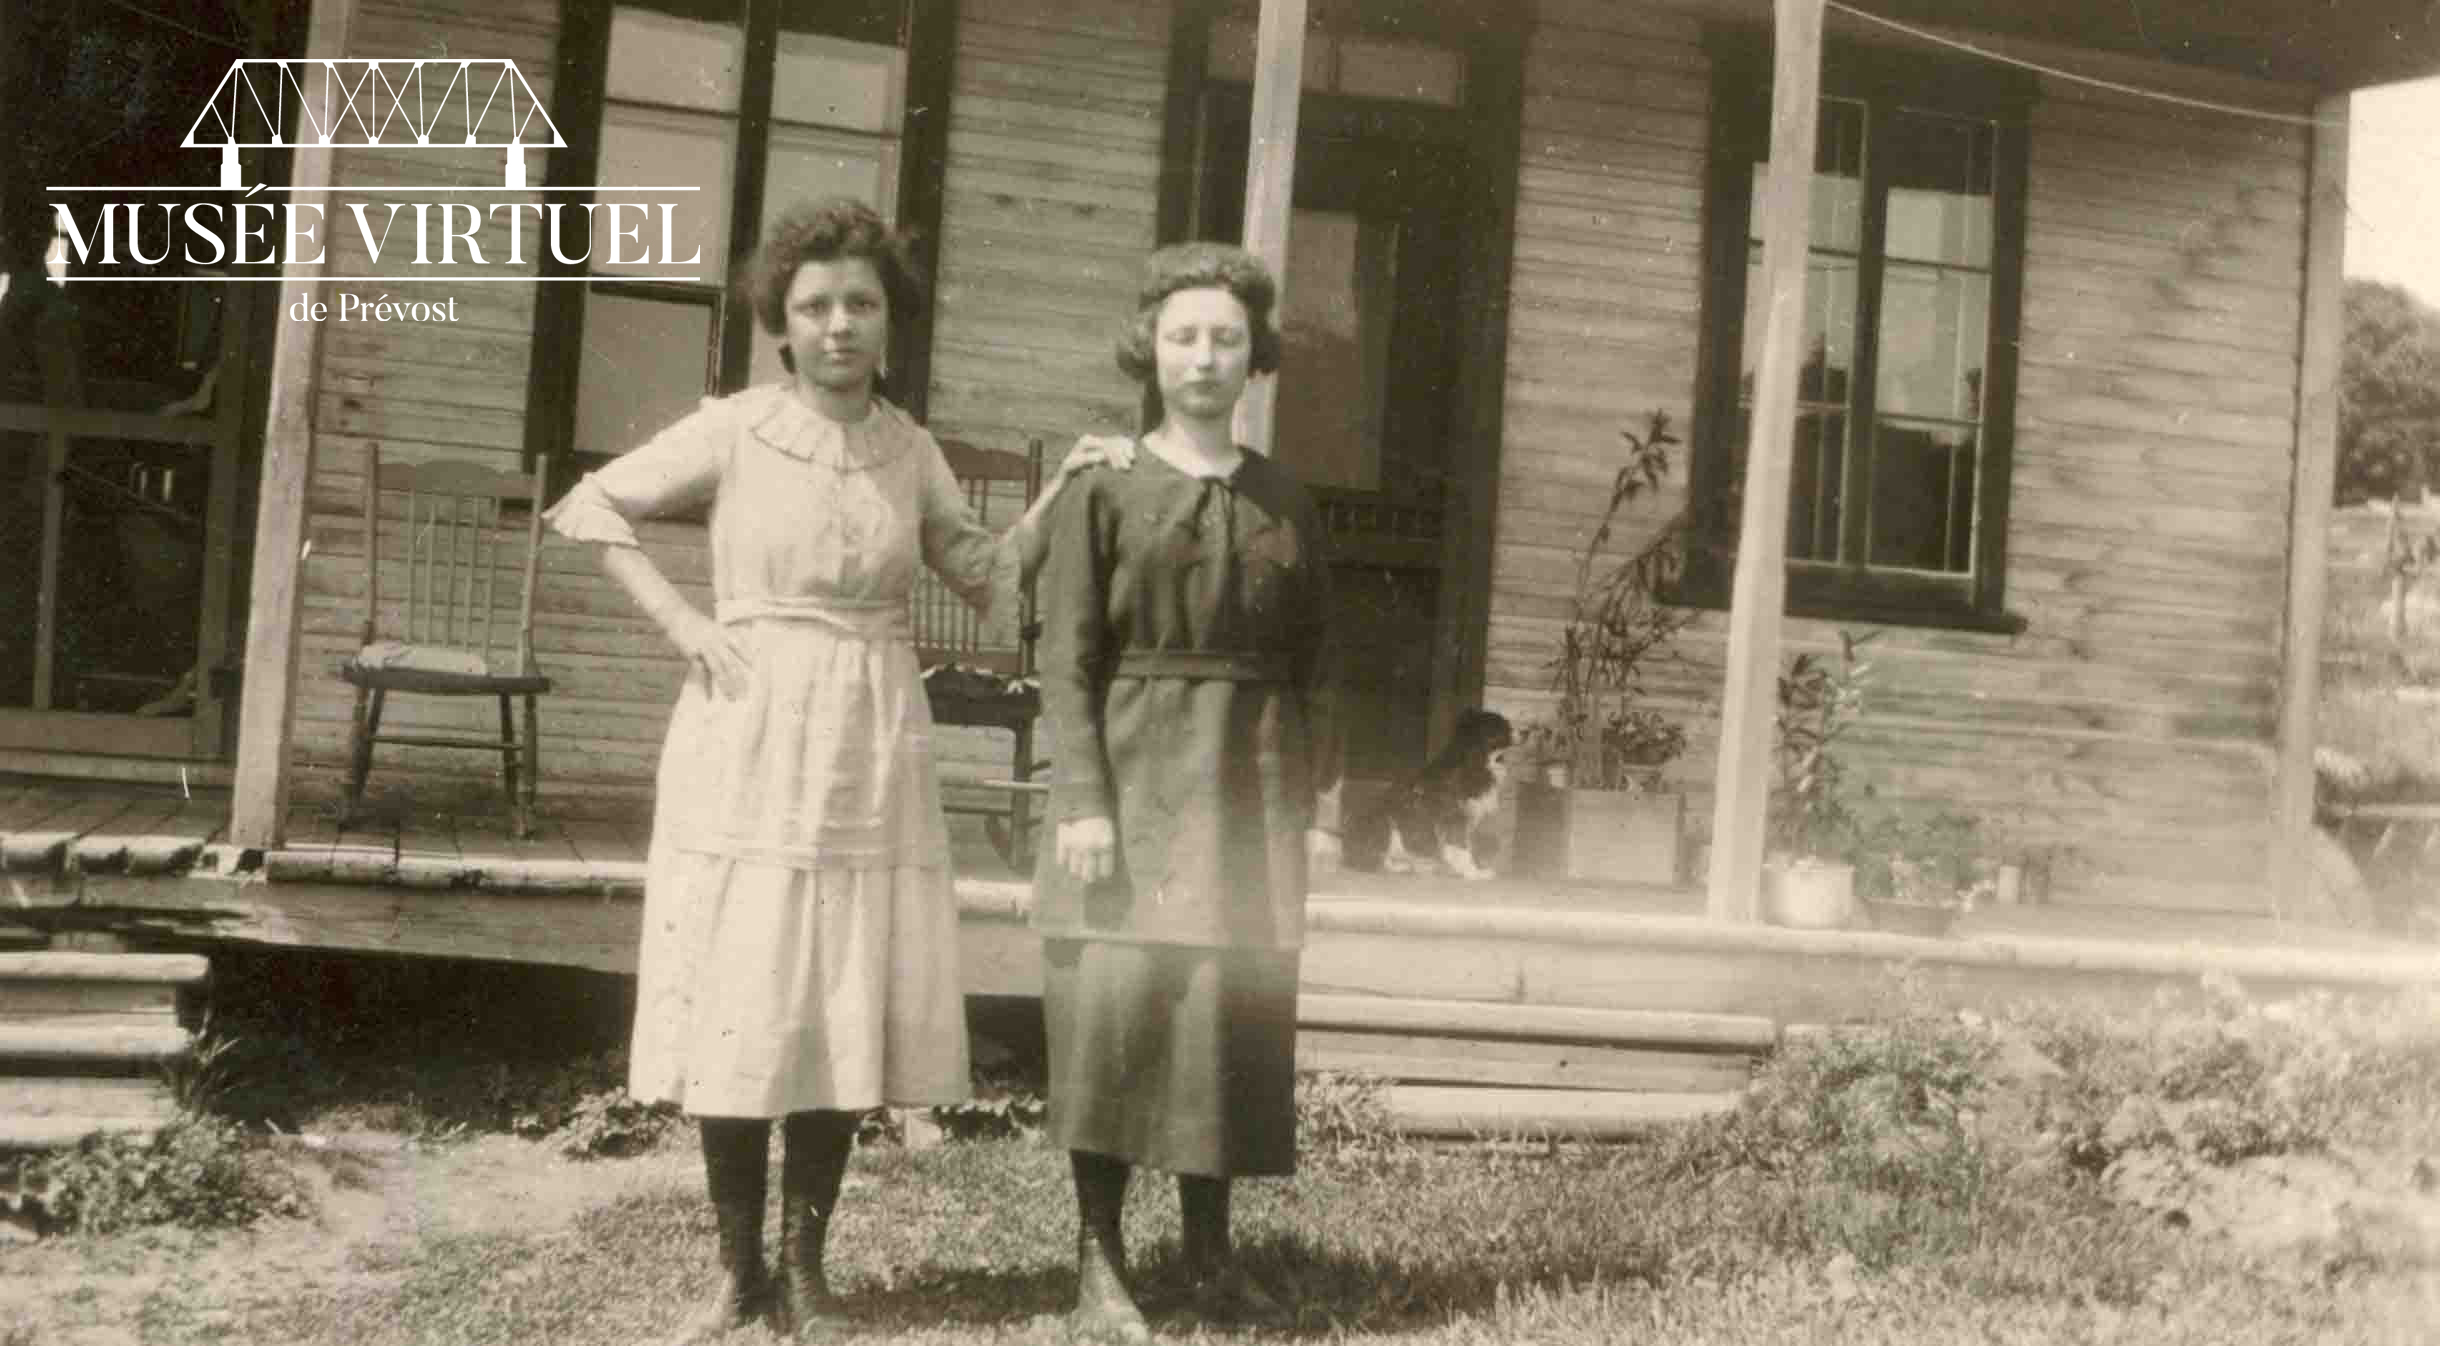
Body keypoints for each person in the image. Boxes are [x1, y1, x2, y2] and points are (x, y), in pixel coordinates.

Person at [546, 196, 1128, 1343]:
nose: (839, 325)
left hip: (869, 725)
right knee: (743, 987)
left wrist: (1063, 492)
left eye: (860, 303)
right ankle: (735, 1273)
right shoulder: (733, 428)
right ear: (781, 320)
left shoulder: (907, 449)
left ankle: (806, 1273)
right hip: (749, 720)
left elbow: (984, 575)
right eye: (815, 305)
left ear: (889, 321)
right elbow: (592, 503)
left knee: (830, 991)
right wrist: (685, 624)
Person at [1031, 242, 1341, 1343]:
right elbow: (1064, 658)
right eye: (1181, 337)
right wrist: (1080, 797)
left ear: (1254, 354)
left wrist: (1313, 797)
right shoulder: (1104, 488)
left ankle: (1210, 1255)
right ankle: (1099, 1263)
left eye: (1223, 337)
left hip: (1247, 783)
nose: (1203, 357)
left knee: (1225, 1010)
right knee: (1115, 1008)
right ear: (1149, 351)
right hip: (1130, 769)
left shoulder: (1285, 497)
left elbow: (1315, 661)